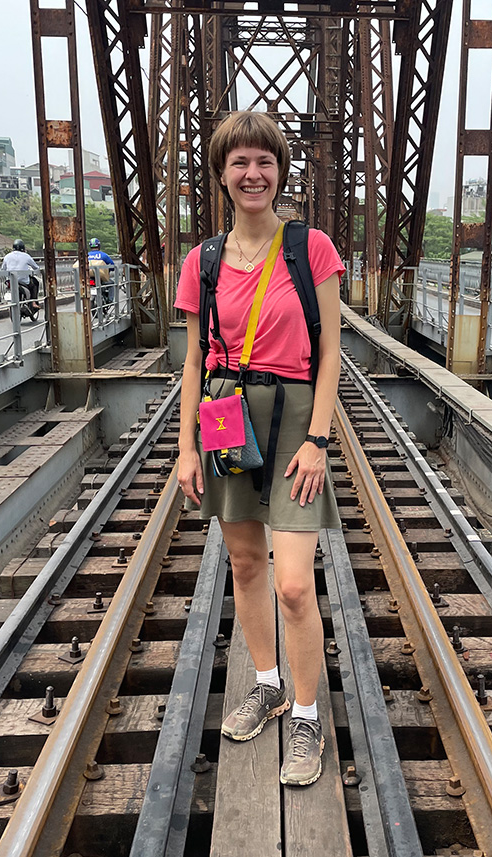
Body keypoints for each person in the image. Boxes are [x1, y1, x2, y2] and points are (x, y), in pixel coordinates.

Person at [175, 110, 344, 786]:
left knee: (294, 583)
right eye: (240, 162)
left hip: (295, 409)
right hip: (222, 406)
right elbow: (191, 361)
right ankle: (269, 685)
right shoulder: (203, 261)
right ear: (221, 174)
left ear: (280, 172)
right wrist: (187, 447)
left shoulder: (312, 249)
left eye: (265, 162)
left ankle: (308, 717)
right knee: (245, 564)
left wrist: (317, 440)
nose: (253, 173)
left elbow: (332, 351)